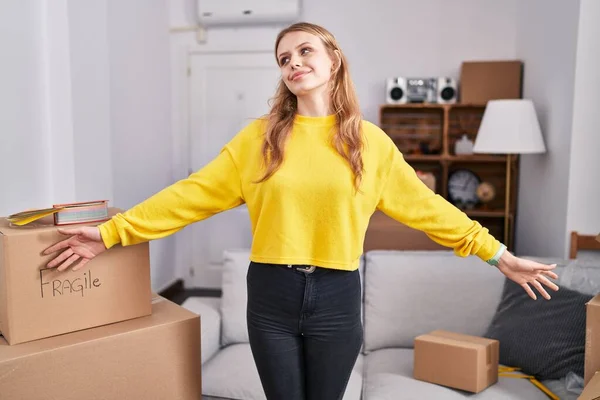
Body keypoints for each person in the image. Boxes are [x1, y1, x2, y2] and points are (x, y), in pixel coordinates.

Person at [43, 22, 559, 400]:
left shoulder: (368, 144)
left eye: (304, 51)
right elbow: (190, 195)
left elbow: (429, 210)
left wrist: (499, 255)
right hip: (270, 296)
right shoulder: (259, 140)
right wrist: (111, 232)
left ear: (333, 59)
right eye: (283, 58)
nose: (293, 64)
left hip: (336, 298)